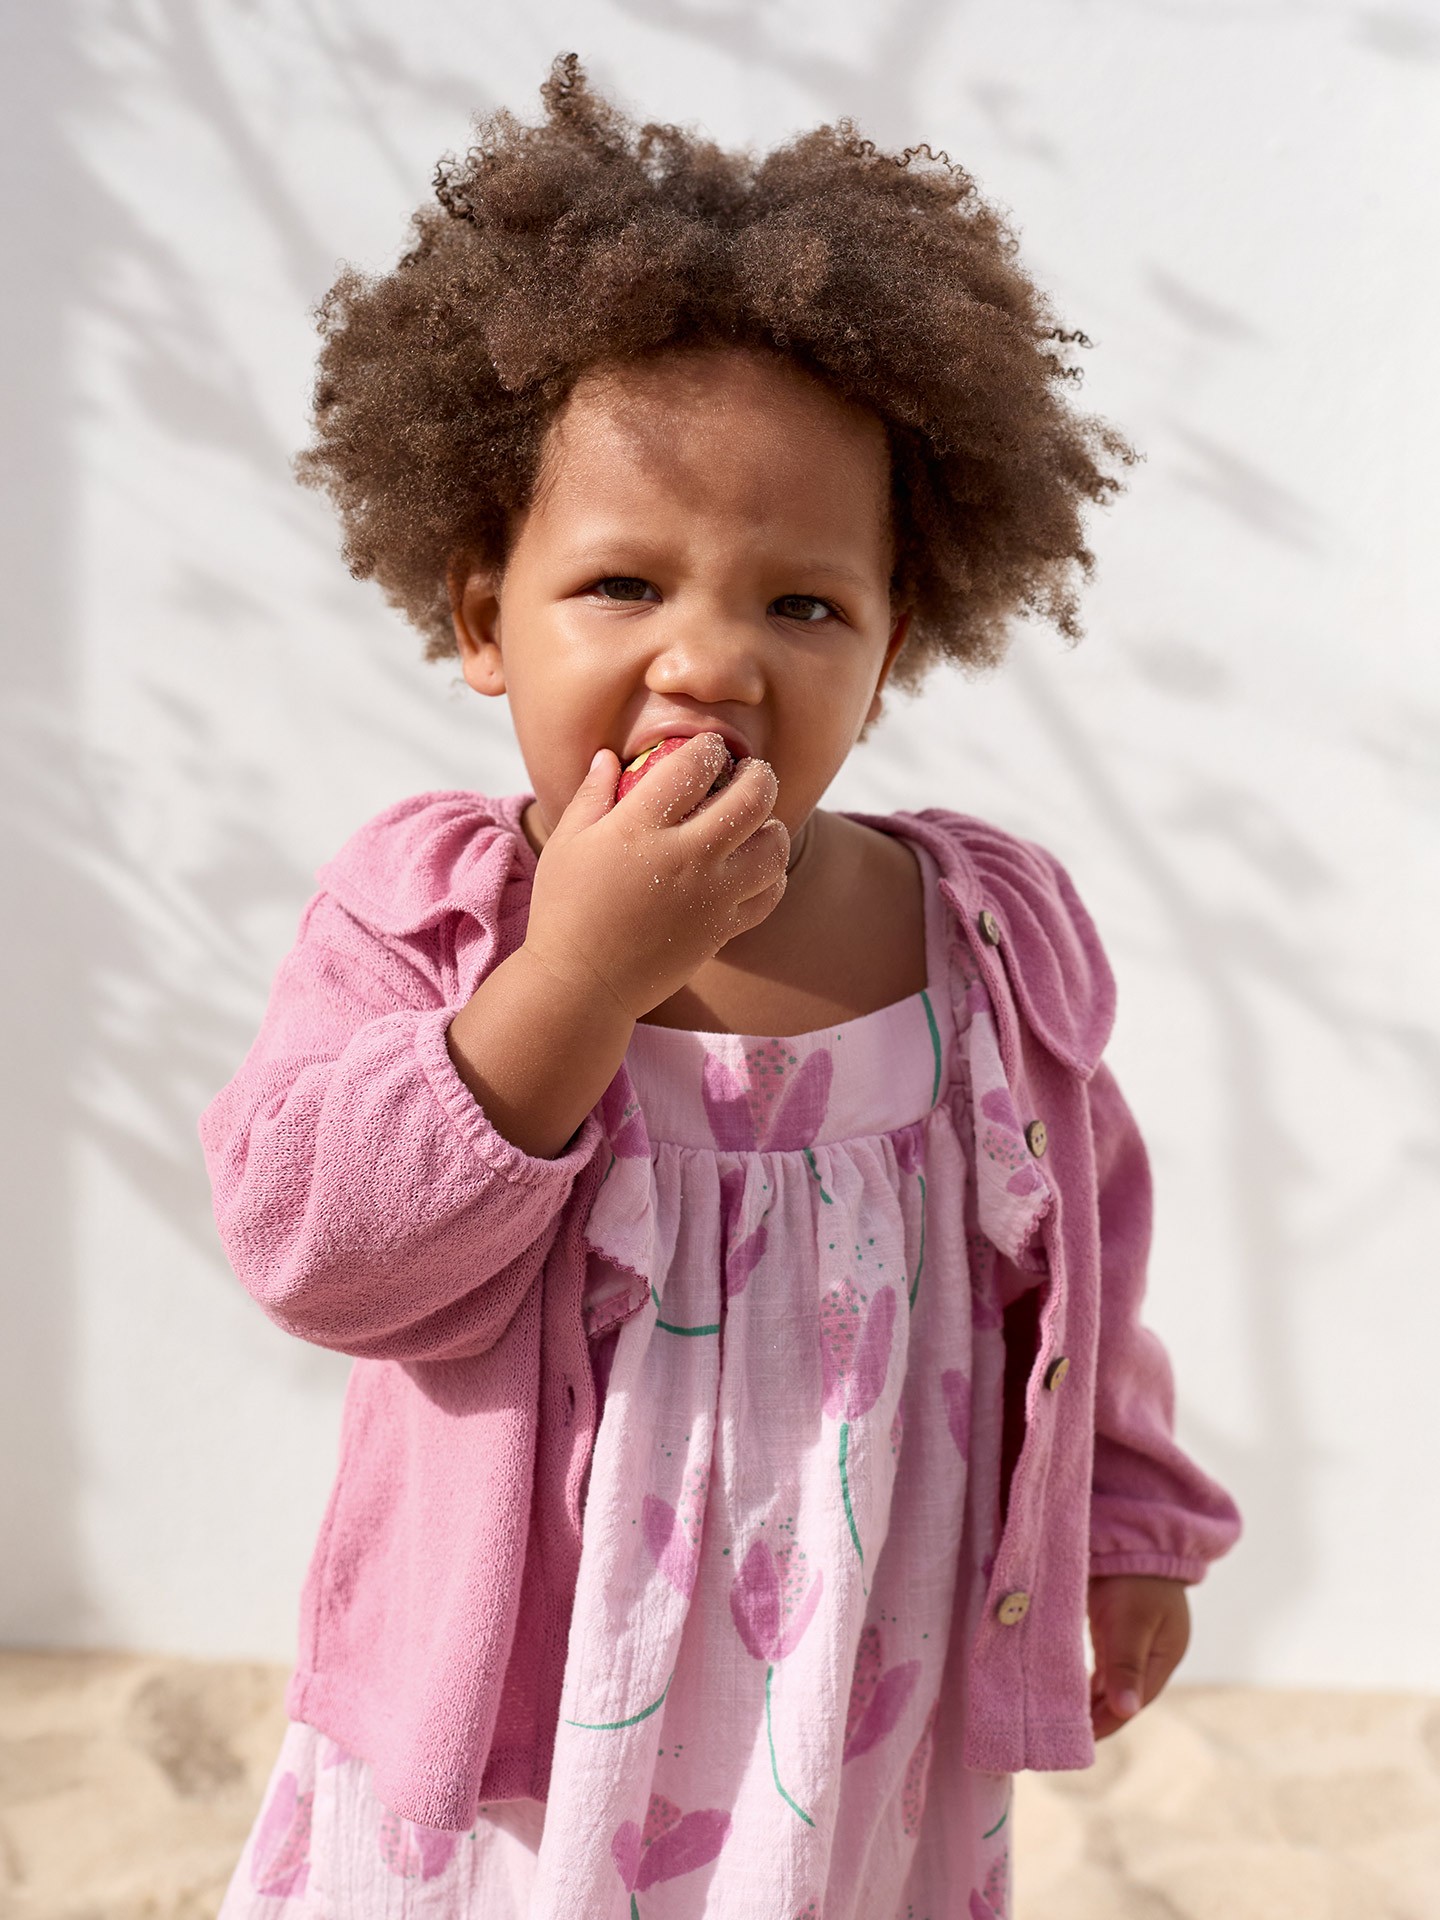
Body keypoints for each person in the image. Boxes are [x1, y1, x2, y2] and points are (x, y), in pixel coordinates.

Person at [203, 55, 1240, 1919]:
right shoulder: (439, 915)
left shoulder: (977, 930)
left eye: (803, 605)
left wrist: (1128, 1513)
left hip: (857, 1676)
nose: (711, 659)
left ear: (895, 639)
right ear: (475, 617)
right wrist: (580, 972)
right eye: (620, 584)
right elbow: (313, 1246)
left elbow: (1084, 1247)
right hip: (529, 1714)